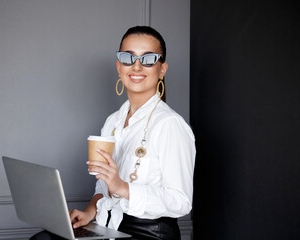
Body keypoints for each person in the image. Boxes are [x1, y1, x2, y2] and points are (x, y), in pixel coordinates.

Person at [30, 26, 195, 240]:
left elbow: (181, 202)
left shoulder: (170, 125)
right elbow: (102, 185)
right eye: (128, 58)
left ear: (162, 69)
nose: (136, 66)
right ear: (119, 66)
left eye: (148, 59)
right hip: (109, 224)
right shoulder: (113, 122)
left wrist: (122, 187)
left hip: (150, 233)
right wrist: (91, 210)